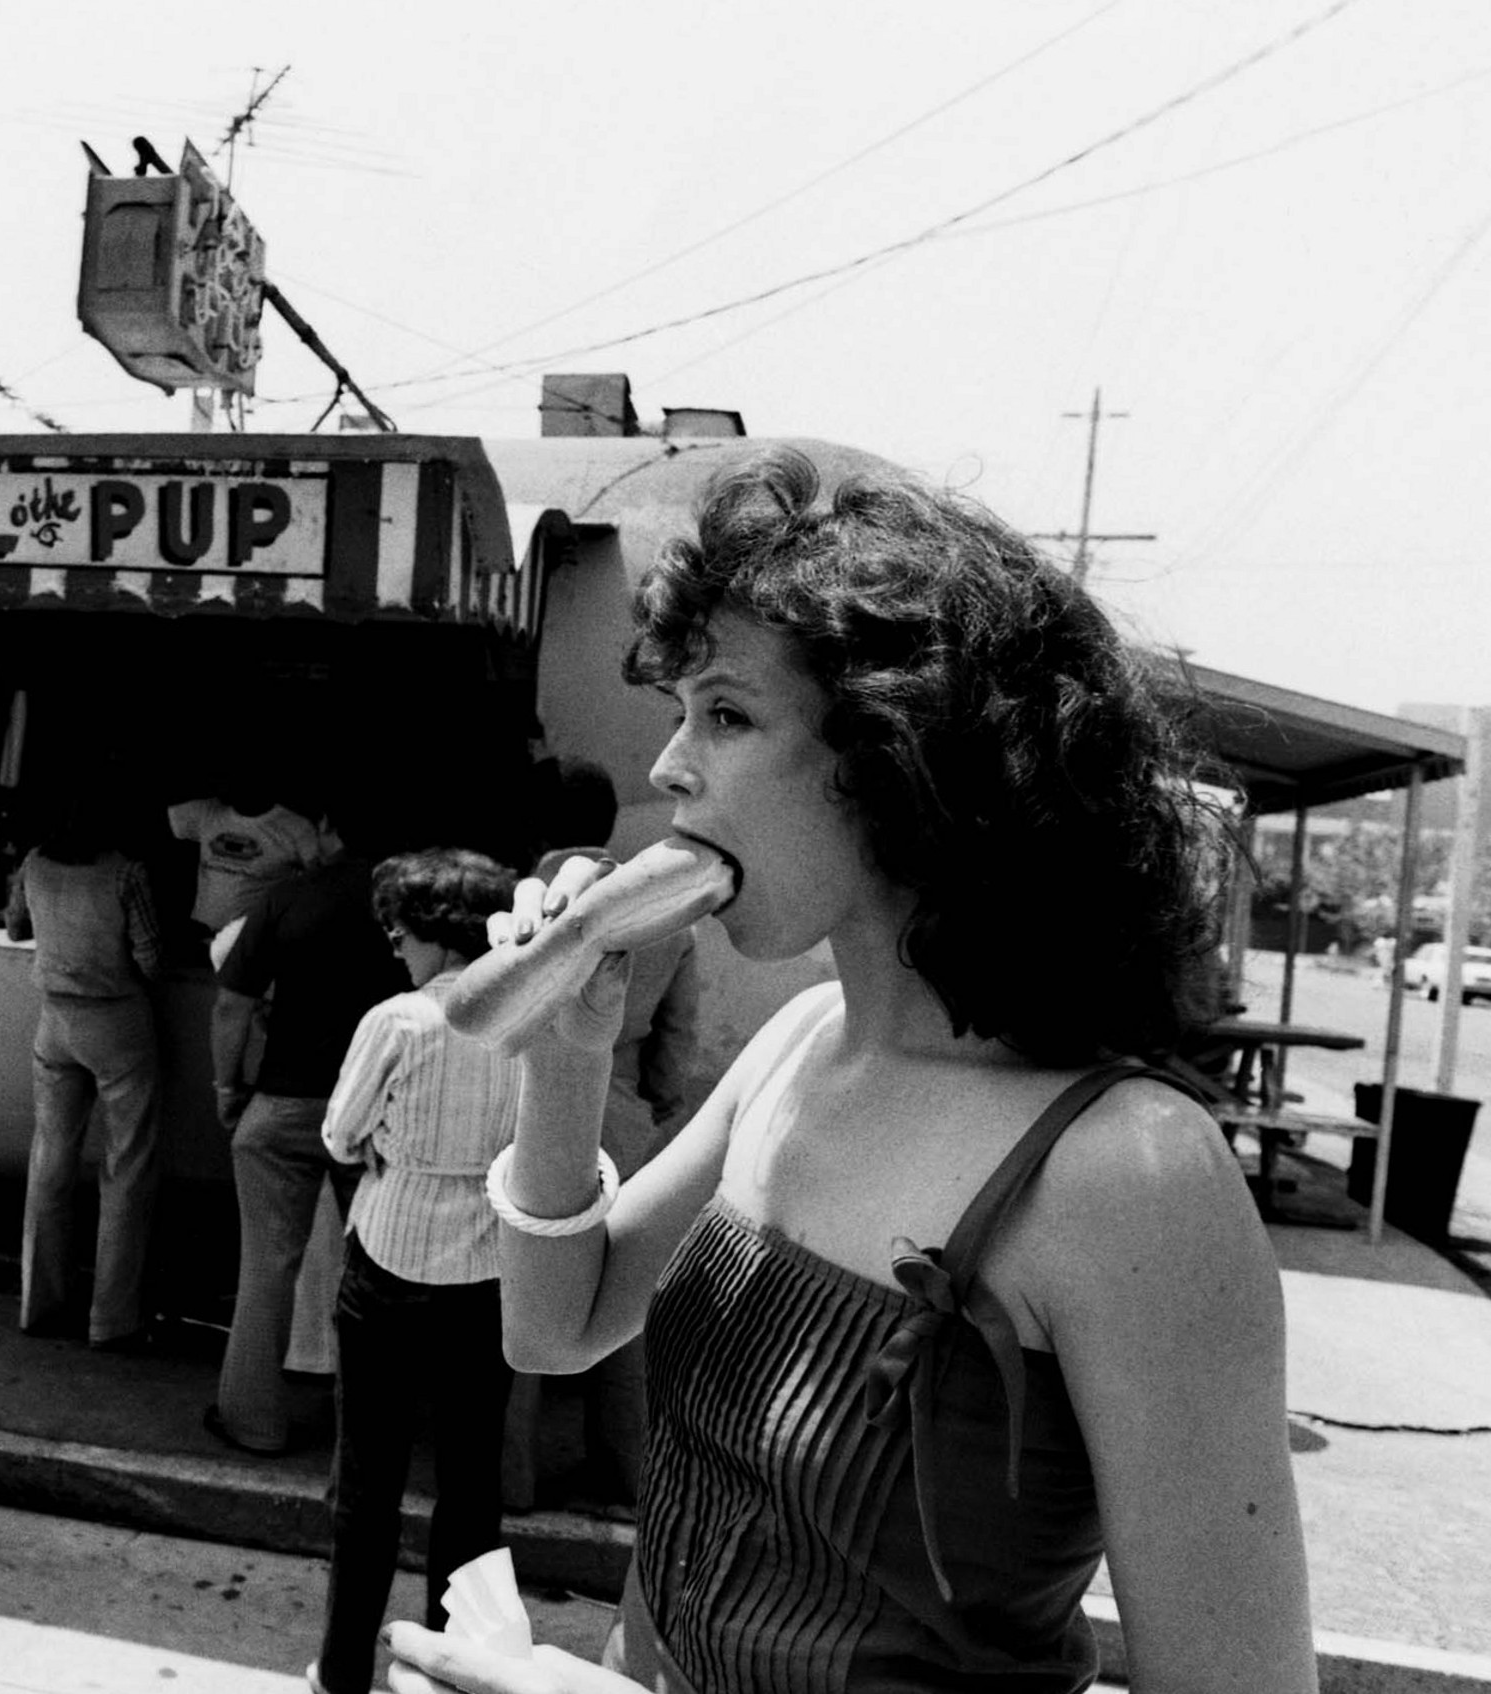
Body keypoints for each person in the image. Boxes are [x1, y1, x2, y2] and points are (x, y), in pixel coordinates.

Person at [387, 443, 1315, 1694]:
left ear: (897, 760)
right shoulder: (796, 1045)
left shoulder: (1125, 1171)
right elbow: (556, 1326)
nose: (668, 767)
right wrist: (567, 1059)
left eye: (725, 712)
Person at [313, 848, 524, 1694]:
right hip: (487, 1271)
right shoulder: (530, 1019)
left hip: (389, 1264)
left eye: (399, 932)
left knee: (367, 1482)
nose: (395, 946)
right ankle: (450, 1673)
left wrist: (388, 1148)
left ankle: (343, 1672)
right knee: (472, 1487)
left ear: (436, 938)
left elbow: (337, 1133)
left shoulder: (399, 1021)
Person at [500, 768, 702, 1513]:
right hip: (620, 1109)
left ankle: (509, 1478)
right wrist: (653, 1104)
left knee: (518, 1296)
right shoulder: (664, 915)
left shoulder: (513, 906)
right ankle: (625, 1474)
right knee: (622, 1300)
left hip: (526, 1109)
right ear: (611, 818)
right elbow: (676, 1037)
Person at [207, 809, 407, 1455]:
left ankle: (252, 1423)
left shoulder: (286, 898)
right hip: (374, 1116)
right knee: (372, 1275)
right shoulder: (407, 909)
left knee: (266, 1268)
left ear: (327, 824)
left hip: (282, 1105)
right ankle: (366, 1436)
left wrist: (228, 1090)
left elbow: (231, 1003)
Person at [4, 797, 165, 1350]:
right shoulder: (127, 873)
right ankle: (112, 1319)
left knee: (50, 1158)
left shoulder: (34, 864)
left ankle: (39, 1304)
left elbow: (13, 928)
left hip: (55, 1019)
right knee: (127, 1165)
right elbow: (151, 959)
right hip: (118, 1022)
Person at [168, 786, 324, 968]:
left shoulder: (296, 828)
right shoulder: (207, 812)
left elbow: (320, 883)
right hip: (199, 940)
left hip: (251, 947)